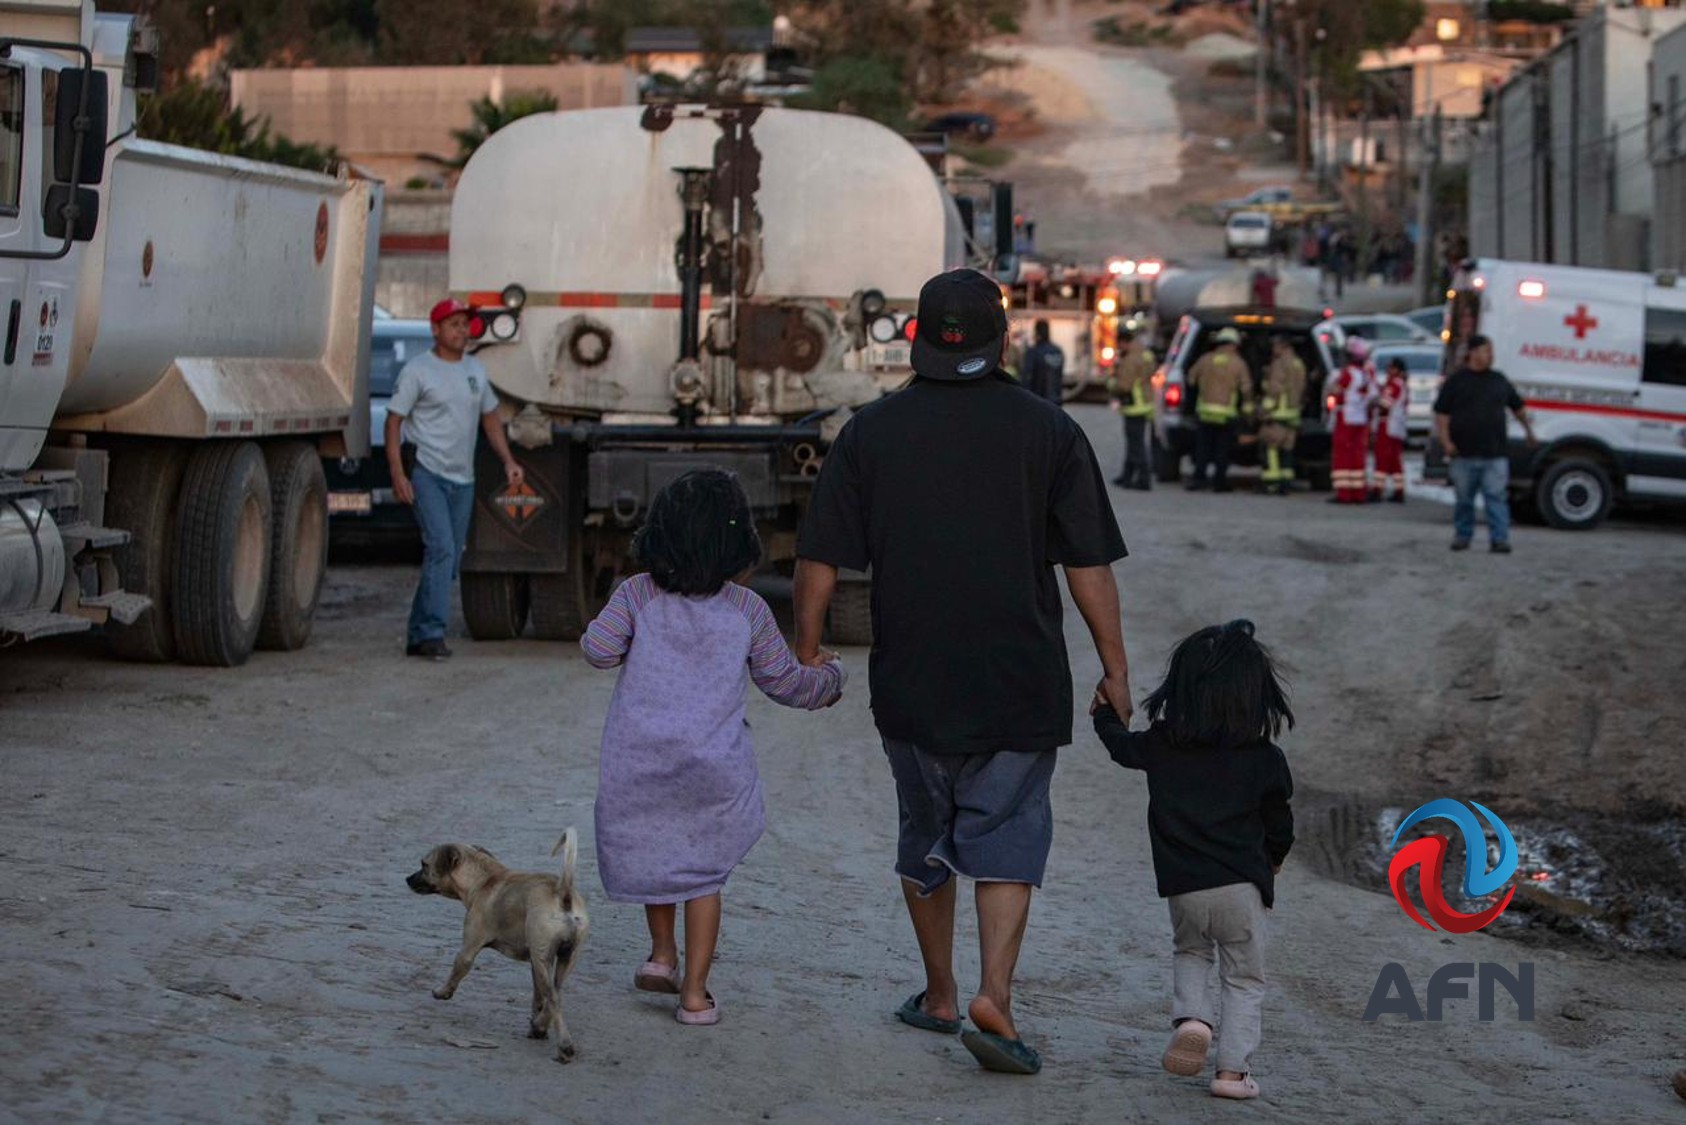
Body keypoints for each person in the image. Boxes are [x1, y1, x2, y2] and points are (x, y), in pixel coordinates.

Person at [793, 268, 1131, 1076]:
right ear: (1003, 337)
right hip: (1019, 677)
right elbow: (1088, 565)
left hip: (913, 676)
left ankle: (941, 994)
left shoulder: (870, 433)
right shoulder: (1049, 430)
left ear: (916, 339)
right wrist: (1116, 668)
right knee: (1008, 833)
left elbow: (819, 559)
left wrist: (806, 650)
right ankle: (996, 997)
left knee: (927, 831)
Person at [581, 468, 845, 1026]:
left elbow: (598, 650)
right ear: (736, 542)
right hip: (713, 770)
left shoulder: (637, 594)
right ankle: (695, 995)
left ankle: (660, 955)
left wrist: (617, 635)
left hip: (641, 762)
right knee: (703, 877)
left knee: (659, 859)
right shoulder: (747, 609)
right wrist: (830, 679)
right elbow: (786, 683)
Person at [1093, 619, 1294, 1102]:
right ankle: (1232, 1073)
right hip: (1242, 887)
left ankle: (1194, 1021)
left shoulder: (1164, 744)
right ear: (1256, 694)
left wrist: (1104, 715)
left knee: (1191, 952)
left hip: (1184, 887)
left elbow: (1122, 748)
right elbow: (1280, 823)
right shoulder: (1264, 758)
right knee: (1243, 977)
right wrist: (1275, 860)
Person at [387, 298, 525, 660]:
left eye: (465, 325)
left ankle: (418, 633)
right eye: (454, 325)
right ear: (435, 330)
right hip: (427, 474)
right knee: (442, 548)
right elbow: (393, 421)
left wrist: (508, 460)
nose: (461, 331)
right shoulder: (418, 370)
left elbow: (491, 417)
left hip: (463, 479)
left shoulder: (475, 370)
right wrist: (399, 474)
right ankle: (433, 633)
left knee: (447, 559)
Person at [1433, 334, 1537, 553]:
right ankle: (1463, 536)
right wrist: (1446, 441)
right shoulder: (1456, 381)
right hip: (1463, 453)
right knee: (1464, 500)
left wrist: (1529, 432)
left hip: (1494, 453)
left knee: (1496, 498)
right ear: (1472, 353)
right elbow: (1441, 414)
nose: (1490, 355)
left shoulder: (1499, 380)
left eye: (1490, 351)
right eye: (1485, 350)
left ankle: (1500, 539)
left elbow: (1517, 408)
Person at [1186, 328, 1254, 494]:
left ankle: (1198, 480)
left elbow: (1191, 379)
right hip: (1226, 415)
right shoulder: (1238, 363)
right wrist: (1248, 411)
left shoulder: (1205, 360)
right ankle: (1219, 483)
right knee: (1222, 450)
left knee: (1202, 449)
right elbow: (1246, 388)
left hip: (1205, 413)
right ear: (1232, 345)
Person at [1327, 338, 1377, 505]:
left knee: (1342, 455)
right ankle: (1358, 492)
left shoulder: (1347, 374)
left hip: (1346, 417)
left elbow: (1336, 392)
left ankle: (1344, 493)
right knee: (1358, 456)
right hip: (1361, 418)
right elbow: (1373, 396)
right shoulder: (1366, 374)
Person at [1256, 336, 1305, 496]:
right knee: (1287, 451)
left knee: (1271, 449)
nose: (1273, 349)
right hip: (1293, 415)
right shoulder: (1298, 363)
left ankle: (1272, 484)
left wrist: (1264, 411)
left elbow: (1274, 390)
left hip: (1277, 415)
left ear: (1282, 346)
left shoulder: (1280, 364)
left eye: (1275, 346)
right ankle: (1286, 483)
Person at [1109, 329, 1157, 490]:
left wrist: (1111, 383)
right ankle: (1127, 475)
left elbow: (1124, 385)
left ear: (1124, 342)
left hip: (1134, 404)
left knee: (1135, 444)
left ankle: (1143, 479)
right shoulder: (1146, 354)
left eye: (1119, 344)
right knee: (1134, 442)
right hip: (1145, 403)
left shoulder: (1130, 359)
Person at [1373, 356, 1410, 503]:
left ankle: (1377, 489)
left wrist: (1373, 401)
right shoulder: (1402, 384)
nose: (1388, 371)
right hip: (1397, 426)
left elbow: (1385, 404)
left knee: (1382, 457)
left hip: (1387, 424)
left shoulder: (1394, 384)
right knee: (1395, 460)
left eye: (1390, 367)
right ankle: (1398, 490)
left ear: (1396, 369)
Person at [1020, 319, 1066, 404]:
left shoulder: (1033, 352)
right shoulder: (1057, 351)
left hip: (1039, 403)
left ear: (1036, 333)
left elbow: (1026, 378)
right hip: (1056, 402)